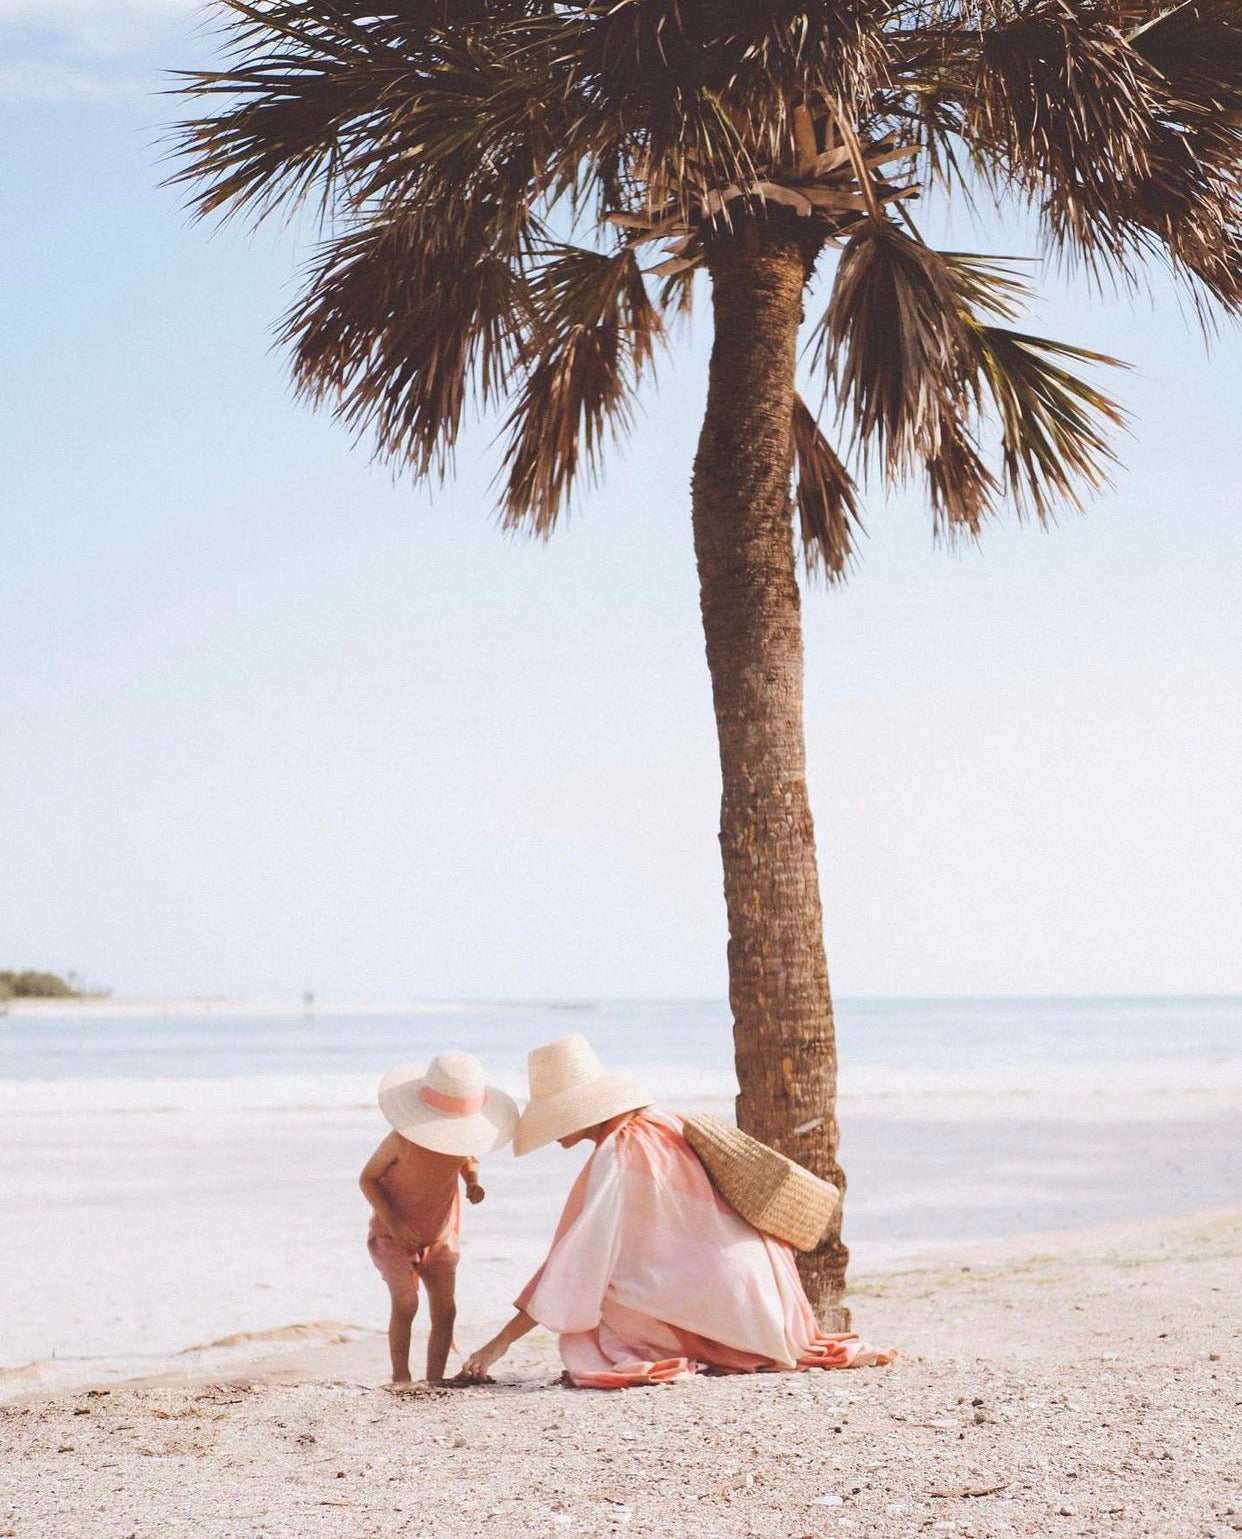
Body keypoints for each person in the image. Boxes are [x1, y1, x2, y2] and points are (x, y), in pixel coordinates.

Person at [461, 1034, 893, 1389]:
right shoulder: (666, 1123)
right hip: (766, 1294)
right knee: (603, 1277)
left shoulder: (621, 1153)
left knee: (596, 1292)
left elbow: (574, 1264)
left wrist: (499, 1344)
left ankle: (682, 1348)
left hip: (734, 1303)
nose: (553, 1135)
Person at [360, 1050, 517, 1385]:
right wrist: (395, 1223)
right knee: (406, 1303)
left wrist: (473, 1182)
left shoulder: (460, 1139)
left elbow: (468, 1159)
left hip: (440, 1236)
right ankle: (400, 1376)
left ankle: (434, 1380)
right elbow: (368, 1179)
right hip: (393, 1235)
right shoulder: (402, 1139)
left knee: (446, 1311)